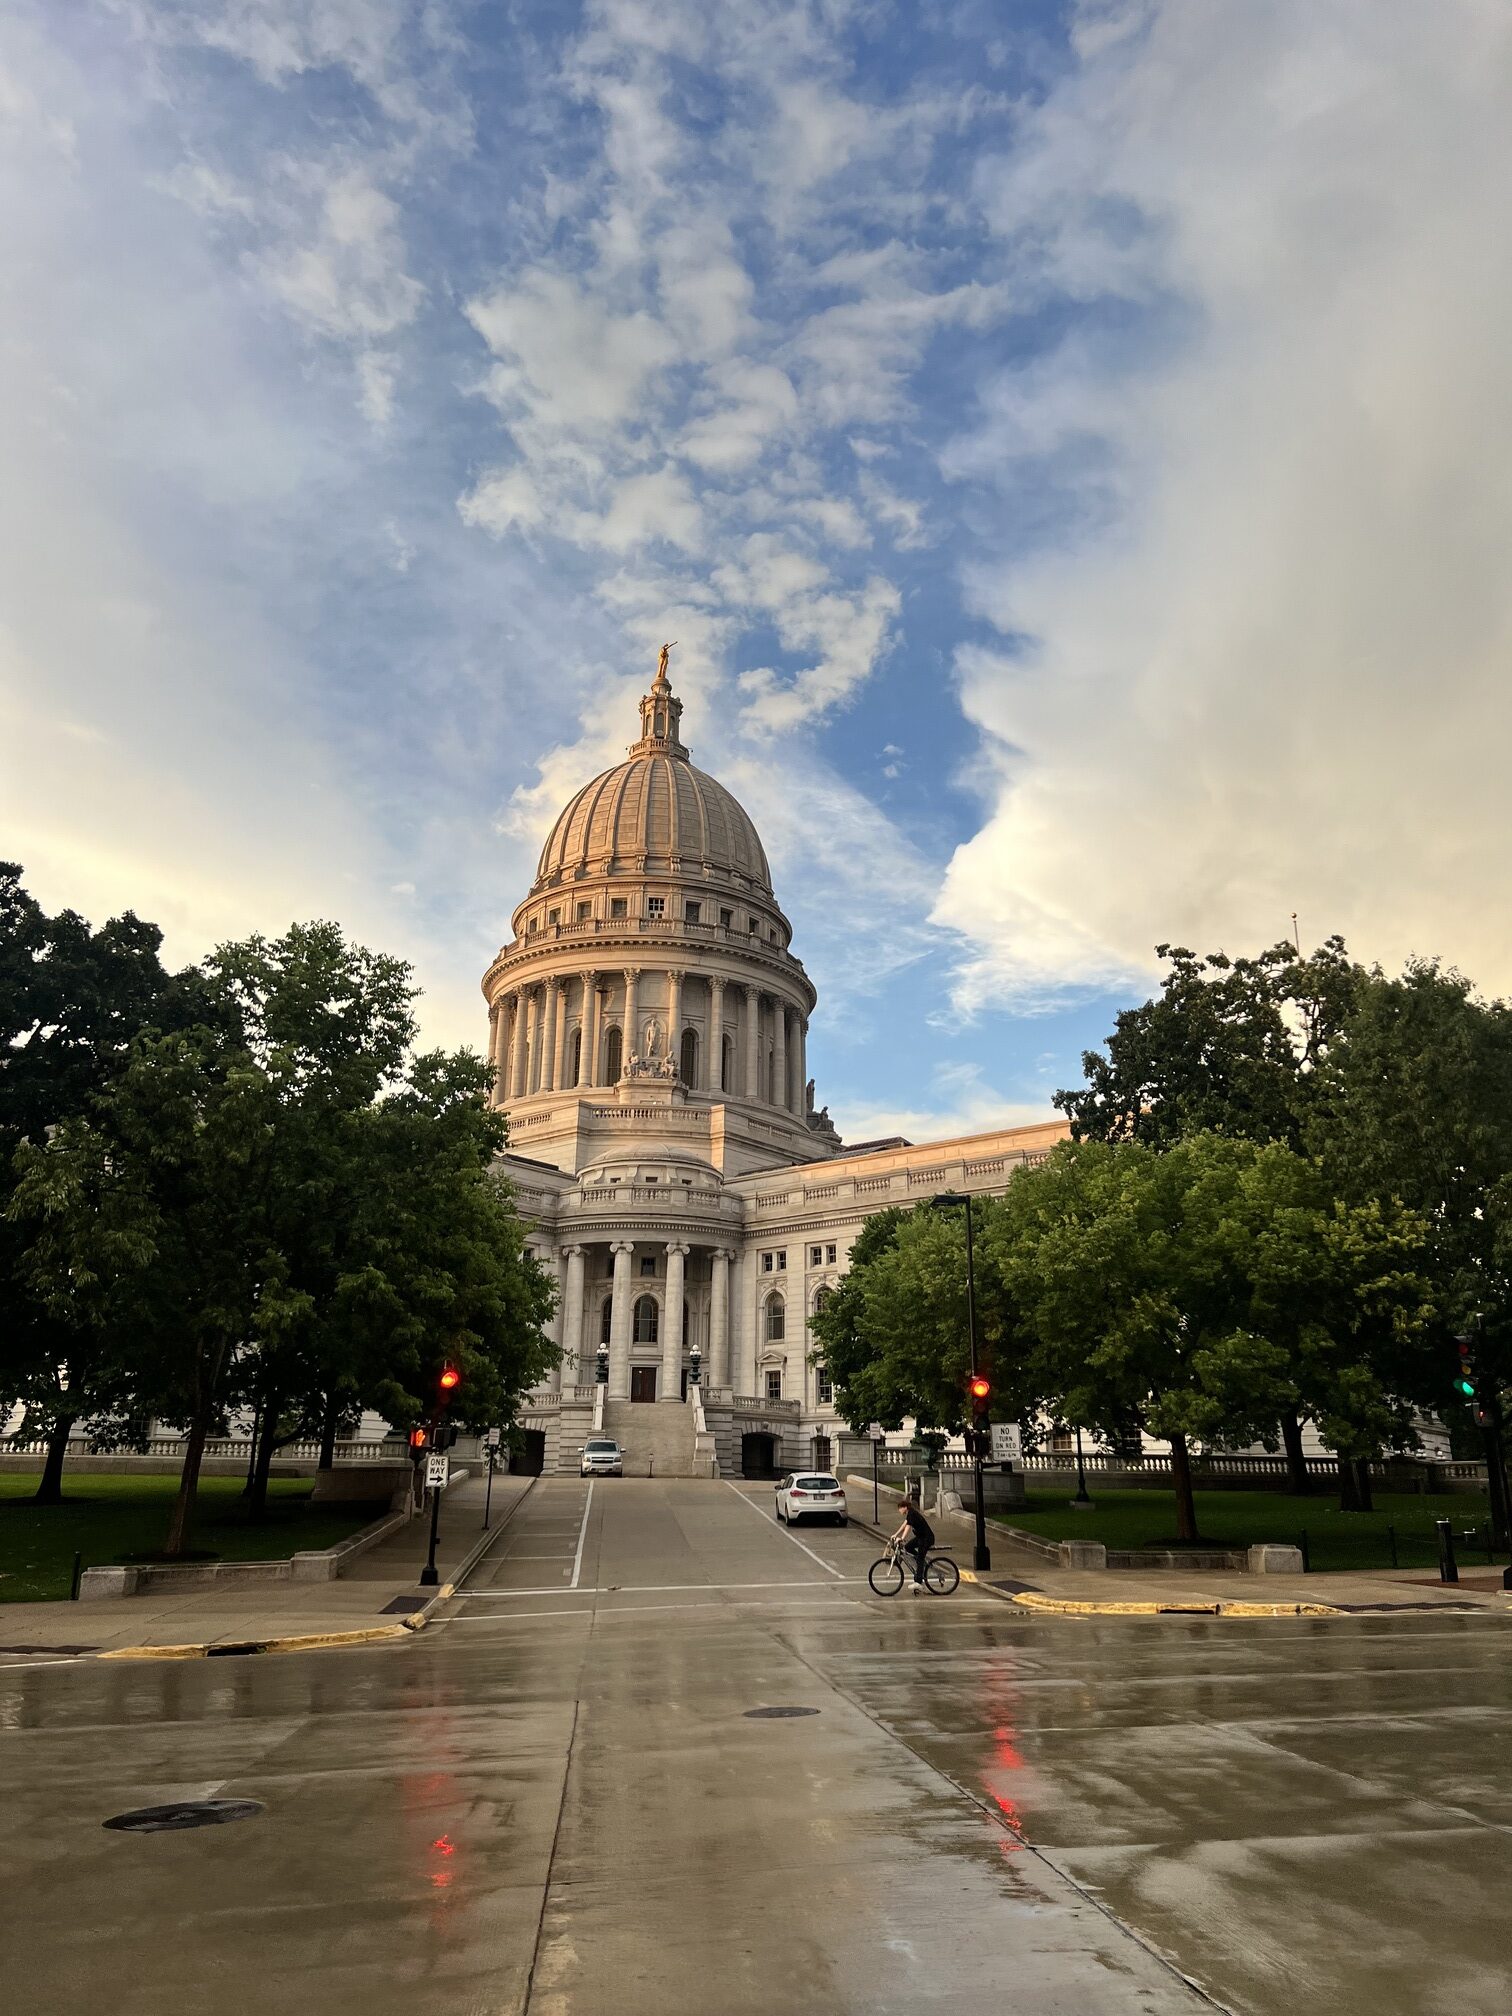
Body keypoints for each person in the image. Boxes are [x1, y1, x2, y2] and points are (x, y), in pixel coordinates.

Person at [890, 1486, 935, 1593]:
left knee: (919, 1558)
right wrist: (895, 1534)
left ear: (904, 1507)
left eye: (900, 1509)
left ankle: (919, 1582)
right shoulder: (910, 1514)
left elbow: (908, 1527)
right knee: (908, 1547)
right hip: (920, 1537)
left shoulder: (912, 1513)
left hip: (926, 1538)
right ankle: (922, 1564)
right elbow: (904, 1525)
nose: (899, 1511)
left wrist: (901, 1538)